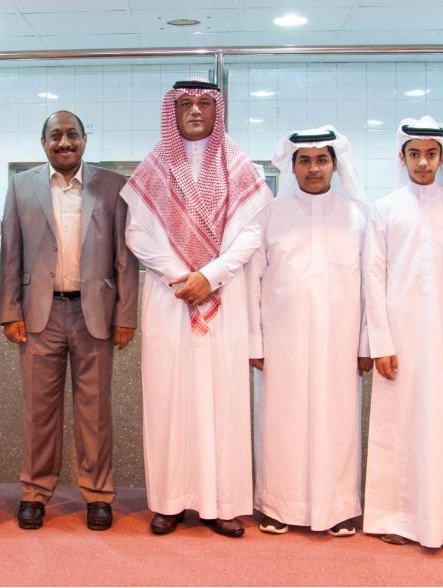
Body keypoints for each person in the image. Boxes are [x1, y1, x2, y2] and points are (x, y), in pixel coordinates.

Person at [121, 78, 271, 538]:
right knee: (169, 399)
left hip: (223, 299)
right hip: (170, 299)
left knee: (223, 400)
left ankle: (220, 504)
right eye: (185, 103)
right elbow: (137, 234)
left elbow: (251, 233)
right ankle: (170, 502)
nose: (194, 111)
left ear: (216, 111)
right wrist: (182, 277)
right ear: (172, 111)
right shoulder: (154, 168)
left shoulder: (240, 167)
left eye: (204, 104)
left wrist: (211, 276)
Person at [0, 111, 138, 531]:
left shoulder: (113, 186)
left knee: (95, 411)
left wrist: (126, 315)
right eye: (55, 135)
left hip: (94, 314)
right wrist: (10, 311)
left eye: (72, 134)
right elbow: (11, 252)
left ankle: (97, 494)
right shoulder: (21, 186)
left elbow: (124, 257)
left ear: (84, 140)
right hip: (38, 316)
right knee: (39, 410)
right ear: (42, 142)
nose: (64, 142)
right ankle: (35, 491)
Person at [362, 117, 443, 548]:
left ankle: (442, 522)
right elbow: (373, 278)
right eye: (414, 154)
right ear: (402, 157)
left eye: (431, 154)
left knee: (442, 426)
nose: (423, 162)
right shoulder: (385, 208)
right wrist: (381, 342)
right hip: (398, 336)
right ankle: (394, 518)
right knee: (396, 426)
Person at [248, 127, 371, 537]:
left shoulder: (357, 215)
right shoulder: (271, 214)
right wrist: (254, 341)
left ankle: (338, 508)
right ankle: (277, 505)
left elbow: (371, 284)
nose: (313, 168)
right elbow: (253, 282)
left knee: (338, 422)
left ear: (335, 164)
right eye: (304, 161)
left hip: (340, 341)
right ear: (293, 166)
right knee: (281, 422)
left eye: (321, 160)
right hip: (282, 341)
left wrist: (367, 342)